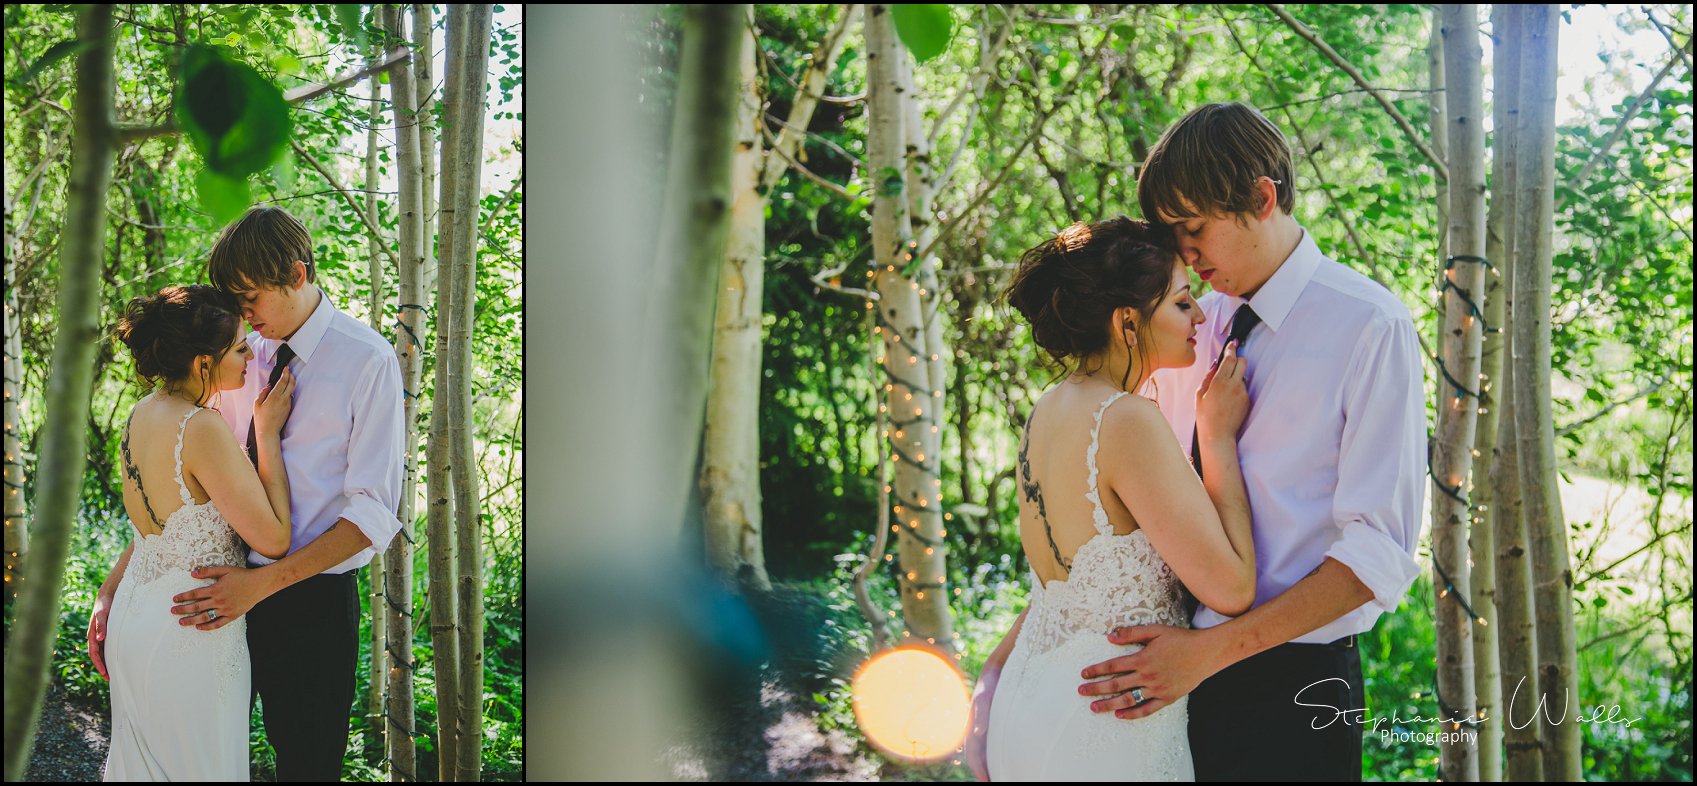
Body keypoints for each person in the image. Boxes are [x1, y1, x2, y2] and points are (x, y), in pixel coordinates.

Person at [1076, 102, 1426, 781]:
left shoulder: (1369, 325)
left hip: (1294, 688)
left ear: (1261, 198)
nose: (1183, 253)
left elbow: (1377, 551)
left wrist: (1207, 654)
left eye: (1193, 228)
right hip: (1164, 674)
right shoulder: (1190, 323)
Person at [88, 206, 406, 781]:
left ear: (297, 272)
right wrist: (115, 587)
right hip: (207, 597)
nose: (243, 314)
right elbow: (185, 494)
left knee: (307, 767)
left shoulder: (368, 361)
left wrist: (262, 585)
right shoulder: (231, 354)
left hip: (310, 600)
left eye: (250, 297)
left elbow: (374, 514)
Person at [973, 217, 1259, 780]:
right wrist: (1217, 437)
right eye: (1182, 303)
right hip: (1104, 728)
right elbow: (1232, 588)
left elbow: (1059, 588)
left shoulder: (1049, 408)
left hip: (1030, 703)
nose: (1200, 315)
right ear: (1128, 322)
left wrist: (989, 678)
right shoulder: (1125, 420)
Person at [98, 284, 297, 780]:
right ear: (202, 362)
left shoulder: (141, 413)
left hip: (135, 618)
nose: (250, 354)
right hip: (190, 630)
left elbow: (154, 532)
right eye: (237, 348)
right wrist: (265, 434)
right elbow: (273, 539)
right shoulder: (201, 429)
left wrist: (107, 592)